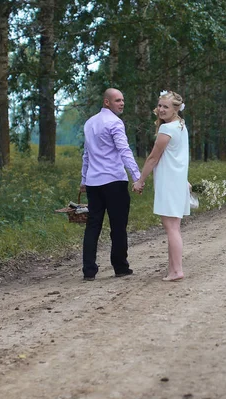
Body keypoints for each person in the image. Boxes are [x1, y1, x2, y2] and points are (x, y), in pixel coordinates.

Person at [80, 88, 141, 281]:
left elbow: (86, 154)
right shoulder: (115, 122)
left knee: (93, 226)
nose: (121, 103)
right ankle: (120, 267)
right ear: (107, 102)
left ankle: (89, 270)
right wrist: (137, 176)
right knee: (118, 226)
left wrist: (84, 179)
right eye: (117, 100)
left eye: (122, 100)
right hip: (114, 181)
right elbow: (124, 150)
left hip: (94, 183)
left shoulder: (89, 123)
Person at [133, 91, 190, 282]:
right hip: (177, 180)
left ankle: (177, 270)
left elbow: (153, 158)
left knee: (171, 227)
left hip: (169, 181)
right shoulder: (180, 126)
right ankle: (173, 268)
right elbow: (180, 156)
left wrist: (140, 180)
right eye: (159, 106)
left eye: (166, 106)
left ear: (175, 108)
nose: (161, 109)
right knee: (173, 226)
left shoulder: (167, 130)